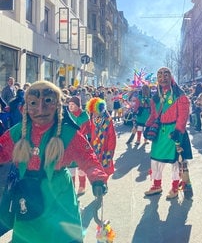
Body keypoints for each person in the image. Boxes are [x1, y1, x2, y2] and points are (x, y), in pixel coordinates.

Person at [0, 80, 109, 243]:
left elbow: (89, 159)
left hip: (58, 196)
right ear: (26, 107)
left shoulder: (68, 133)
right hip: (27, 195)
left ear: (58, 105)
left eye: (48, 101)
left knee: (60, 236)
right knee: (27, 236)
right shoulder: (19, 132)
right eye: (33, 103)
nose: (40, 109)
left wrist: (98, 179)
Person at [144, 67, 193, 200]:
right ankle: (156, 185)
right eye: (159, 75)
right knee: (155, 160)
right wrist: (148, 126)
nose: (162, 78)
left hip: (173, 132)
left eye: (166, 75)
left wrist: (178, 130)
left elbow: (183, 115)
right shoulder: (156, 97)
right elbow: (153, 114)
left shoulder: (180, 96)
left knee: (175, 162)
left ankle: (175, 187)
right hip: (159, 132)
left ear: (170, 77)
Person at [86, 97, 117, 177]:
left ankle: (103, 185)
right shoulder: (92, 119)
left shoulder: (107, 120)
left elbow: (112, 136)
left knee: (105, 171)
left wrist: (110, 150)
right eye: (92, 111)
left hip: (105, 149)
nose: (94, 113)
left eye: (95, 111)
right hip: (94, 148)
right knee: (96, 171)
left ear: (101, 110)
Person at [67, 96, 92, 196]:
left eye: (72, 105)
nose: (70, 107)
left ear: (78, 105)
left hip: (82, 142)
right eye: (69, 105)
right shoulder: (68, 115)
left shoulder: (84, 115)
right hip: (70, 143)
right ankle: (72, 185)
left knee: (81, 166)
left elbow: (78, 123)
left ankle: (82, 186)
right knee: (71, 166)